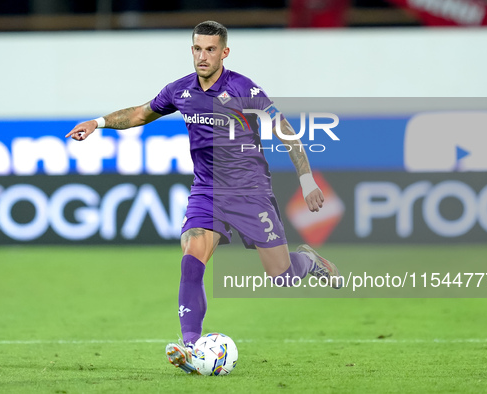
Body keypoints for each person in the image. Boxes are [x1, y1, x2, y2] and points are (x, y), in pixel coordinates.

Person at [66, 20, 342, 375]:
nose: (202, 56)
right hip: (207, 189)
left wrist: (306, 179)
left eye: (210, 49)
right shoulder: (180, 91)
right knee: (192, 252)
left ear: (224, 52)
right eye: (197, 48)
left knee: (281, 276)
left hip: (249, 191)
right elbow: (139, 113)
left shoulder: (243, 88)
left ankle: (309, 260)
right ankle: (192, 346)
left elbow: (283, 128)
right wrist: (98, 122)